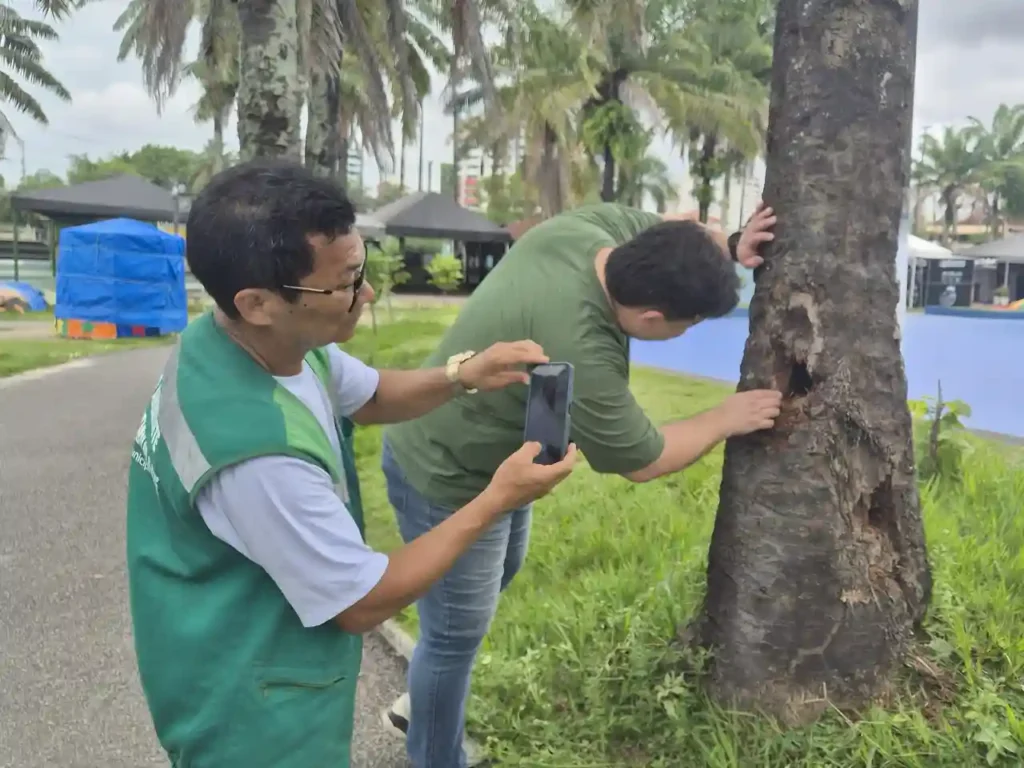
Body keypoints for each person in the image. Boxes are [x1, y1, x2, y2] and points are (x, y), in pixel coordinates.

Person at [124, 159, 578, 768]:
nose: (364, 295)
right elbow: (363, 601)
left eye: (362, 271)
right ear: (258, 301)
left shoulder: (254, 343)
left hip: (243, 638)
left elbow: (368, 395)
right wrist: (498, 498)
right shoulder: (259, 457)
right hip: (253, 707)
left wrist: (461, 375)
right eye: (344, 284)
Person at [380, 202, 784, 767]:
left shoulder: (585, 231)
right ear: (650, 318)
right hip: (450, 474)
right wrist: (723, 418)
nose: (685, 332)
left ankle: (431, 692)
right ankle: (434, 752)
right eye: (686, 323)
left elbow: (683, 229)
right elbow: (644, 459)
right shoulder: (583, 350)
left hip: (501, 464)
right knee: (453, 636)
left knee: (494, 579)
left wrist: (732, 244)